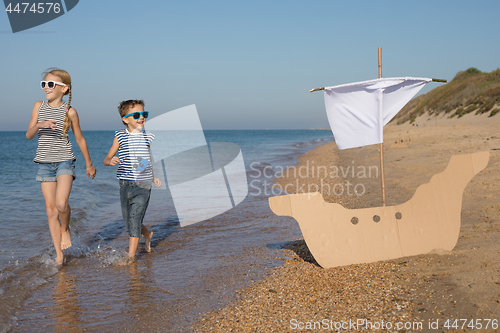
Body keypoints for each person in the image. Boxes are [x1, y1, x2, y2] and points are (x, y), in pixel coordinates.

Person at [26, 68, 96, 265]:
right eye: (44, 84)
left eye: (51, 84)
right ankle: (59, 254)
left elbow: (80, 139)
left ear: (64, 89)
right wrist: (40, 125)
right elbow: (29, 135)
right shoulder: (38, 106)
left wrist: (89, 164)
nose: (46, 88)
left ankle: (65, 229)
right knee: (50, 211)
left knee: (61, 204)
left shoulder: (70, 111)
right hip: (43, 163)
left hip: (65, 160)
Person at [103, 100, 161, 260]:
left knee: (135, 219)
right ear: (125, 119)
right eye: (137, 115)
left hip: (143, 184)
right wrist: (110, 160)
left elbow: (147, 159)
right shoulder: (120, 136)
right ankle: (147, 234)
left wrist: (153, 176)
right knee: (129, 221)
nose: (141, 117)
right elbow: (106, 158)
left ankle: (131, 257)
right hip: (124, 183)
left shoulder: (148, 137)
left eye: (144, 114)